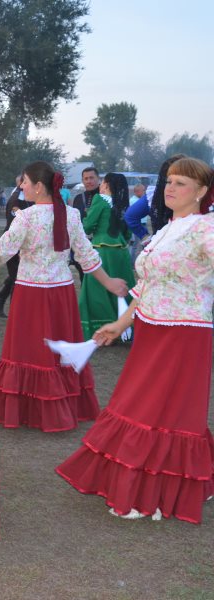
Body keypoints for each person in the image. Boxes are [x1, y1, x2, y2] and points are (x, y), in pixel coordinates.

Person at [57, 157, 214, 524]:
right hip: (151, 328)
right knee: (139, 404)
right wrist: (119, 323)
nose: (171, 189)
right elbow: (146, 287)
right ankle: (144, 486)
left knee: (163, 411)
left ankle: (157, 494)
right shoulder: (165, 229)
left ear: (202, 192)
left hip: (185, 332)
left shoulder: (205, 229)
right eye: (169, 182)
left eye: (182, 184)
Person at [0, 161, 128, 432]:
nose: (22, 186)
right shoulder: (72, 215)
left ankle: (29, 411)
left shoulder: (27, 218)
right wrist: (109, 282)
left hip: (30, 294)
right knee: (56, 354)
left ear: (39, 187)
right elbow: (87, 258)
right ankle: (61, 407)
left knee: (30, 352)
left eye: (25, 182)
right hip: (61, 294)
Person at [78, 173, 136, 340]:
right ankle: (127, 327)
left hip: (102, 249)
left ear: (107, 185)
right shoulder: (124, 203)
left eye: (103, 182)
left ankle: (100, 327)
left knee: (96, 290)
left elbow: (88, 226)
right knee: (124, 288)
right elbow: (127, 230)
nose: (100, 185)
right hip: (121, 250)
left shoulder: (100, 199)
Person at [0, 175, 29, 318]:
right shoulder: (18, 198)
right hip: (14, 243)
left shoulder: (22, 196)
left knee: (16, 276)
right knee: (17, 279)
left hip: (18, 243)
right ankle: (16, 313)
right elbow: (14, 225)